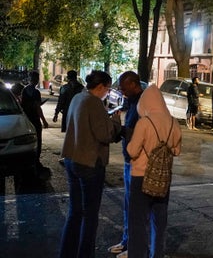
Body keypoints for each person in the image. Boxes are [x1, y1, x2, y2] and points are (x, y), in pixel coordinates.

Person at [59, 70, 122, 258]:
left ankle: (67, 253)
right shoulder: (94, 103)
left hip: (72, 158)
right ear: (101, 86)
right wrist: (116, 120)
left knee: (75, 212)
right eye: (108, 88)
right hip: (89, 162)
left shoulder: (79, 97)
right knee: (91, 215)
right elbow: (105, 134)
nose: (108, 92)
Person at [126, 84, 182, 258]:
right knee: (159, 221)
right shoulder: (174, 122)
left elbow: (132, 151)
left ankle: (137, 254)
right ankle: (157, 254)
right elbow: (176, 151)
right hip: (163, 179)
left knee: (138, 223)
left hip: (141, 179)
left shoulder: (144, 122)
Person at [108, 71, 145, 258]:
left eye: (123, 86)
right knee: (128, 204)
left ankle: (136, 246)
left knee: (136, 207)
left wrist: (121, 129)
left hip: (138, 162)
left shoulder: (143, 103)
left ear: (133, 84)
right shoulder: (130, 101)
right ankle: (127, 240)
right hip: (128, 160)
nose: (121, 90)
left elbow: (140, 134)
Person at [20, 71, 49, 172]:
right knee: (38, 140)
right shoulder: (36, 92)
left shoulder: (24, 90)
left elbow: (22, 104)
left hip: (27, 119)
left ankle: (29, 161)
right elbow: (37, 107)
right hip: (35, 119)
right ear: (36, 80)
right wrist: (44, 121)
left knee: (28, 140)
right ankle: (36, 161)